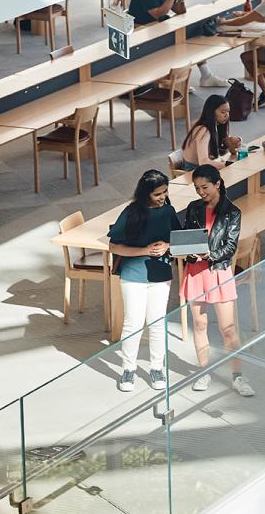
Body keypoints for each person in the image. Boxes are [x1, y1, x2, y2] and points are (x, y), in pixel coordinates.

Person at [177, 164, 254, 397]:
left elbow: (230, 247)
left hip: (218, 271)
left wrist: (210, 254)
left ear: (217, 184)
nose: (201, 192)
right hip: (195, 272)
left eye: (205, 187)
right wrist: (191, 253)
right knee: (199, 326)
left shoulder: (232, 213)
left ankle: (237, 376)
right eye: (197, 188)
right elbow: (187, 238)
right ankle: (203, 371)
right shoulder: (193, 208)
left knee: (228, 329)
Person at [107, 170, 182, 392]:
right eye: (158, 193)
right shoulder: (130, 213)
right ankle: (128, 369)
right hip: (133, 275)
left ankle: (157, 367)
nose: (163, 196)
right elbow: (114, 246)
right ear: (146, 193)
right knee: (133, 323)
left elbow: (179, 239)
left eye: (165, 191)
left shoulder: (168, 211)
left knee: (157, 323)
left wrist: (167, 246)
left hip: (160, 274)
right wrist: (144, 250)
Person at [128, 0, 227, 88]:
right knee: (180, 43)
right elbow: (158, 13)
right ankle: (177, 82)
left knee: (191, 34)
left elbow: (179, 10)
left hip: (159, 25)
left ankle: (205, 75)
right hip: (144, 29)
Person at [181, 95, 243, 171]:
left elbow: (229, 151)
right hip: (193, 169)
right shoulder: (204, 131)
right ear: (211, 112)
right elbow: (203, 162)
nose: (227, 115)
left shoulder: (218, 125)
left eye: (228, 112)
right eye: (223, 112)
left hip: (205, 164)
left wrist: (236, 142)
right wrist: (225, 164)